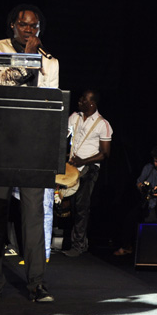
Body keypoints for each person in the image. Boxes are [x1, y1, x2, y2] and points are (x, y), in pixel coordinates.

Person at [0, 4, 58, 303]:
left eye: (34, 26)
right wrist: (28, 59)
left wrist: (36, 57)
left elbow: (50, 108)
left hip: (32, 148)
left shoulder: (50, 62)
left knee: (33, 216)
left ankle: (37, 284)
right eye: (23, 24)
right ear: (12, 24)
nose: (29, 29)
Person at [62, 90, 113, 257]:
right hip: (72, 166)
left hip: (89, 167)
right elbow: (63, 137)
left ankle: (78, 245)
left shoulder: (103, 124)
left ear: (92, 103)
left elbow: (105, 154)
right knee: (67, 204)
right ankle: (74, 242)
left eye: (84, 99)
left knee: (81, 206)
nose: (80, 101)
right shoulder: (74, 117)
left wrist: (83, 161)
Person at [114, 145, 157, 256]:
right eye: (156, 161)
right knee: (129, 219)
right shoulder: (148, 168)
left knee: (150, 220)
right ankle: (127, 247)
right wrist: (142, 187)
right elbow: (139, 182)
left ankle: (149, 252)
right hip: (147, 203)